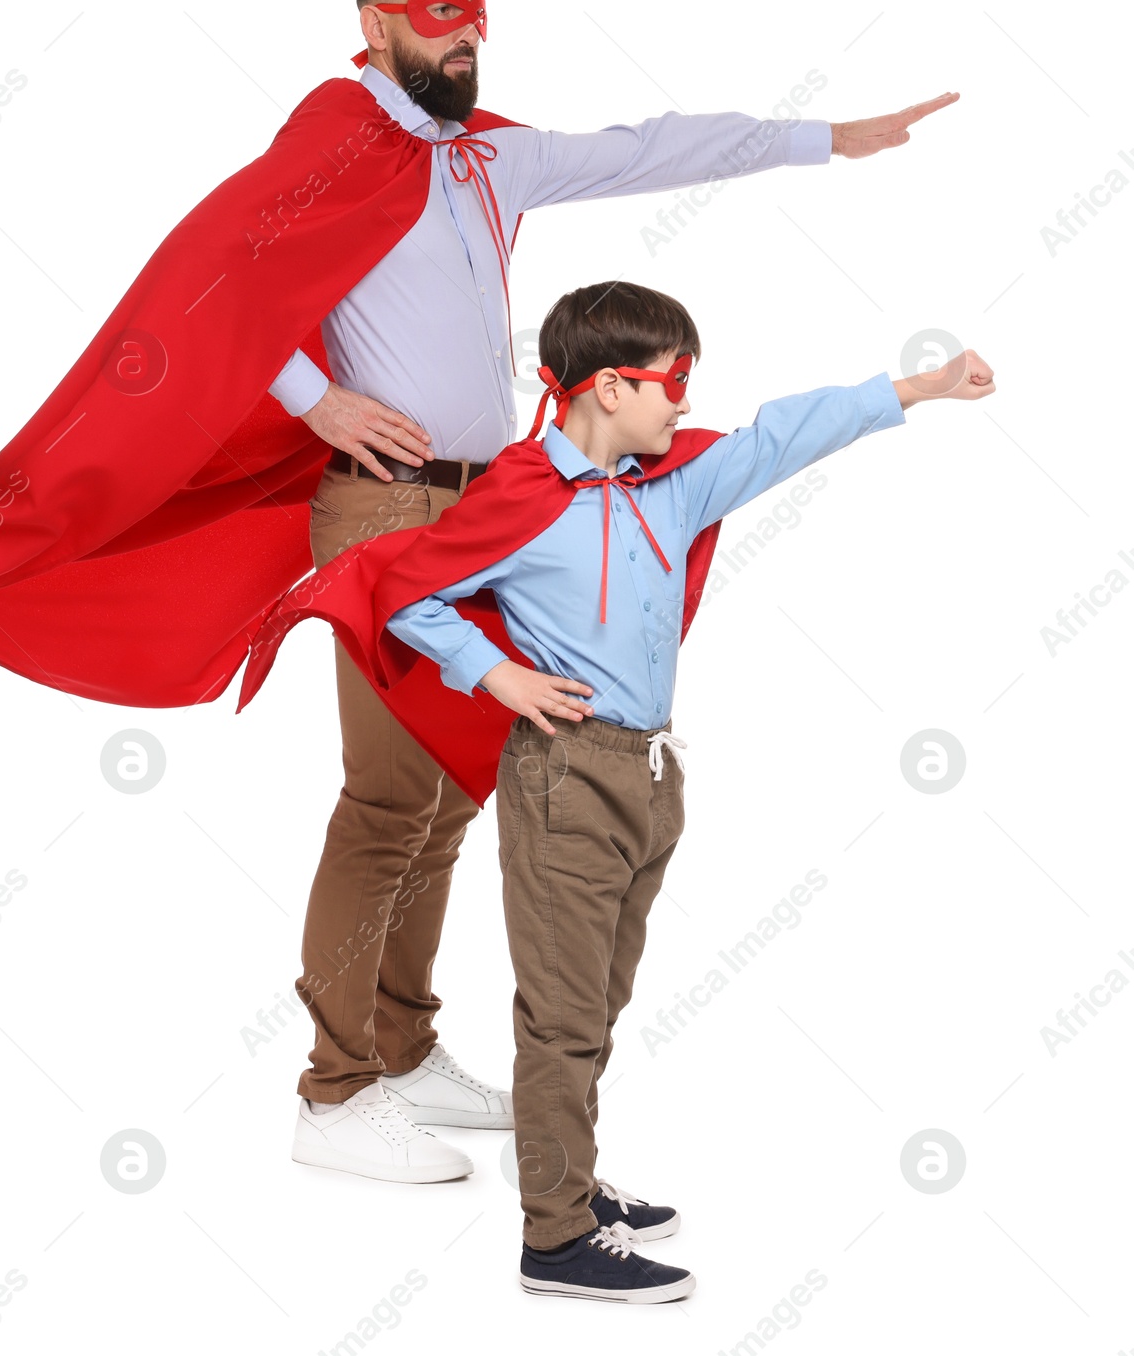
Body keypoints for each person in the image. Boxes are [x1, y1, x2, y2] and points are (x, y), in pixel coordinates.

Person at [279, 0, 959, 1186]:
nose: (465, 26)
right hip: (384, 507)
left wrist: (825, 139)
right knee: (386, 797)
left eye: (475, 6)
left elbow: (652, 149)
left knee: (448, 792)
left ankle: (402, 1043)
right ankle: (333, 1092)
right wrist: (312, 396)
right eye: (436, 9)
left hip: (495, 506)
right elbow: (213, 292)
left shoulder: (490, 161)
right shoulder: (327, 151)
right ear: (375, 28)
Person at [359, 279, 994, 1299]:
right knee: (563, 1014)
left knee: (598, 1001)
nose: (683, 405)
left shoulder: (673, 488)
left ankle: (563, 1175)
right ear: (609, 386)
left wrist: (921, 385)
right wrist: (497, 673)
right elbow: (407, 591)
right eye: (671, 383)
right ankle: (554, 1240)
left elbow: (786, 434)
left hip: (649, 775)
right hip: (563, 778)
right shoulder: (521, 497)